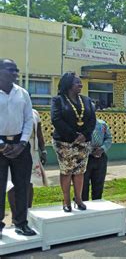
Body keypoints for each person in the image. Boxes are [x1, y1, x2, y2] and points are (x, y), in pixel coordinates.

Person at [0, 58, 36, 238]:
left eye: (16, 70)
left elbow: (29, 119)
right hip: (0, 146)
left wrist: (22, 143)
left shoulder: (22, 93)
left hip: (20, 146)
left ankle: (21, 223)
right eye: (10, 70)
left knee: (22, 186)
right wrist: (2, 145)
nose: (15, 73)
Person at [51, 72, 96, 212]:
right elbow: (56, 119)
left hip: (83, 142)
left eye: (80, 82)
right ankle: (66, 201)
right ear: (68, 84)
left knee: (80, 171)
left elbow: (92, 120)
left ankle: (78, 199)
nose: (80, 84)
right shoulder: (58, 100)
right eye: (77, 82)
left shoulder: (87, 100)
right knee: (67, 171)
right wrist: (73, 135)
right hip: (64, 143)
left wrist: (84, 134)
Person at [7, 108, 48, 220]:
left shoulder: (34, 113)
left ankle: (27, 213)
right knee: (13, 184)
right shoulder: (9, 110)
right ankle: (15, 216)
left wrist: (43, 150)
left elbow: (39, 133)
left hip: (32, 152)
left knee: (29, 182)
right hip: (14, 149)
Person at [81, 118, 112, 201]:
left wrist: (102, 149)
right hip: (84, 158)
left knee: (98, 185)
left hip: (100, 157)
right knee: (83, 186)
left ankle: (97, 206)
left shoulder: (102, 124)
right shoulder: (80, 125)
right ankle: (83, 206)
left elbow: (108, 138)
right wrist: (90, 150)